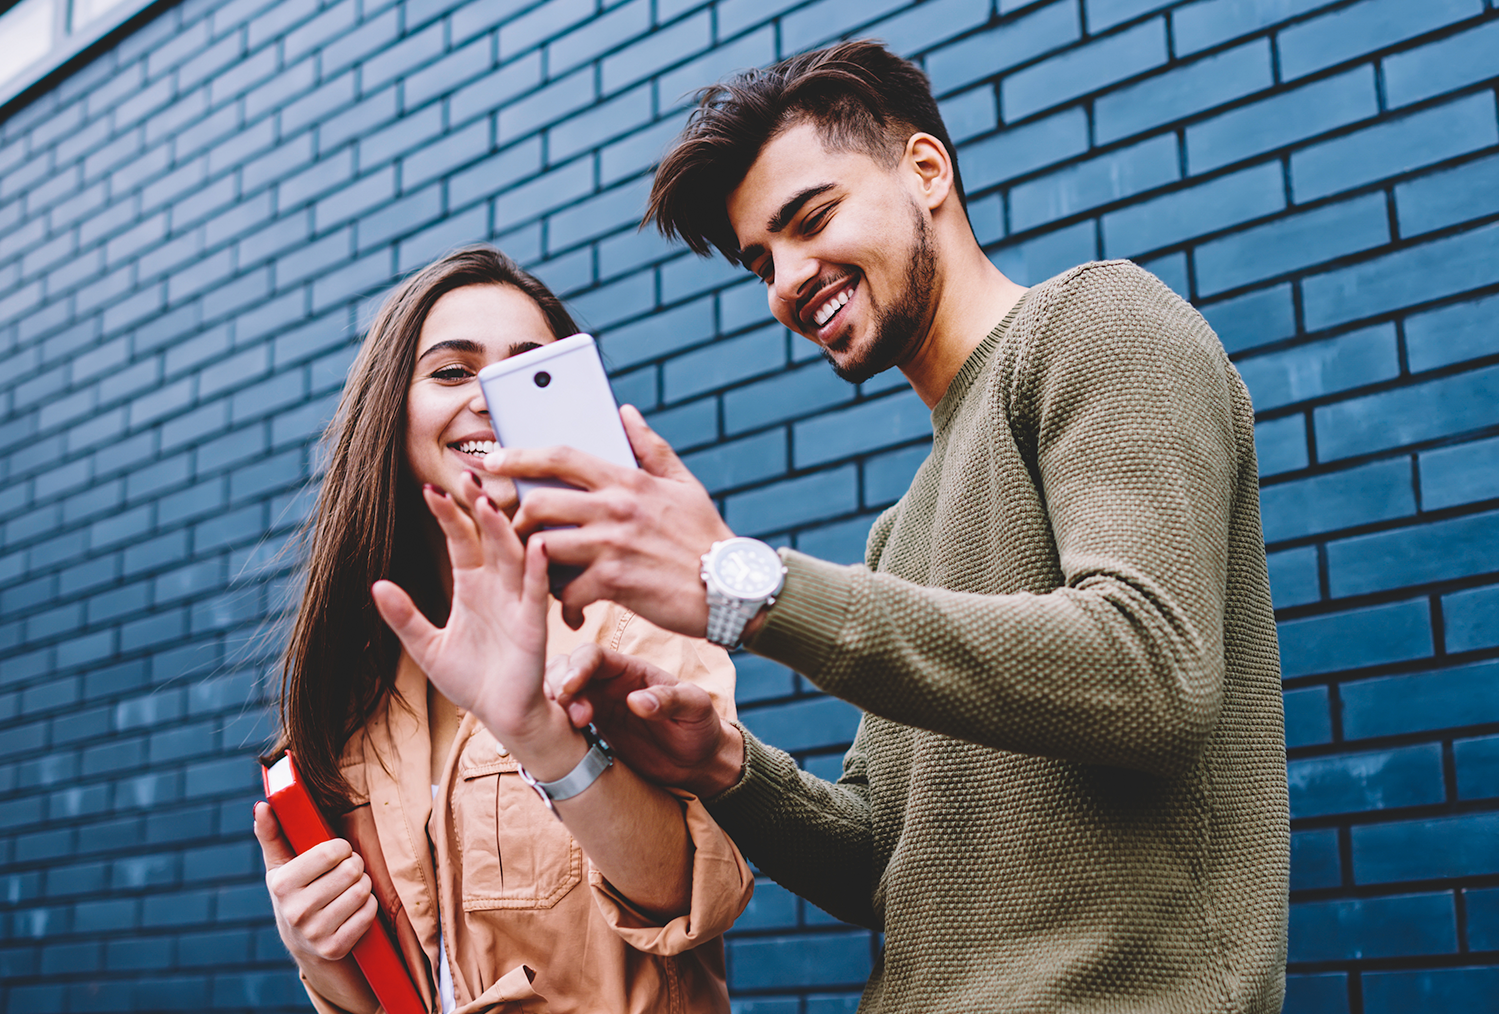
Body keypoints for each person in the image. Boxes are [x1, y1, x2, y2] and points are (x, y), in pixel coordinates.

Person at [486, 41, 1288, 1013]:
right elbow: (884, 865)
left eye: (809, 218)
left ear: (925, 168)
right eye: (759, 260)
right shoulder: (896, 533)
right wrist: (725, 770)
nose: (786, 279)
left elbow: (1152, 674)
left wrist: (743, 585)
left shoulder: (1094, 324)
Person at [252, 246, 752, 1014]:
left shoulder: (634, 612)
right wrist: (318, 953)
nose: (486, 395)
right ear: (393, 410)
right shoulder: (356, 679)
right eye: (451, 371)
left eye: (525, 372)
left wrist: (542, 739)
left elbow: (690, 892)